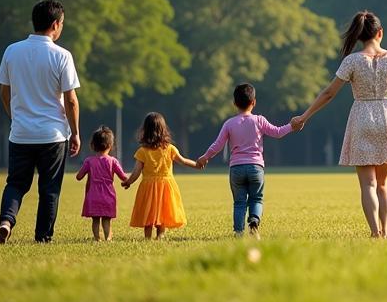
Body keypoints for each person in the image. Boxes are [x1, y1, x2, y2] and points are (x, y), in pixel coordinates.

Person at [291, 10, 387, 238]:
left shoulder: (352, 61)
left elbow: (328, 93)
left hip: (362, 118)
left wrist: (304, 116)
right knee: (383, 184)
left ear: (359, 36)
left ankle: (375, 232)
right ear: (380, 33)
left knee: (368, 185)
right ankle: (386, 232)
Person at [0, 0, 81, 244]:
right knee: (49, 189)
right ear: (55, 24)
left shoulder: (12, 51)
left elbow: (4, 92)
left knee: (16, 183)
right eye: (62, 23)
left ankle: (6, 221)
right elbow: (71, 100)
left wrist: (16, 117)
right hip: (53, 135)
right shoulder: (62, 56)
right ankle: (42, 237)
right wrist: (75, 133)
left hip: (20, 133)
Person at [195, 83, 293, 239]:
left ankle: (239, 233)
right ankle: (254, 222)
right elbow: (278, 132)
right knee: (256, 198)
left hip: (236, 169)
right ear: (253, 102)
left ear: (234, 103)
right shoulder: (259, 120)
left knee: (239, 202)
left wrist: (204, 157)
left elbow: (218, 145)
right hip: (256, 167)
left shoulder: (229, 124)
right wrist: (291, 126)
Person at [122, 111, 198, 239]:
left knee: (148, 211)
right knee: (163, 211)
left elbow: (136, 172)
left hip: (148, 186)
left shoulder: (142, 151)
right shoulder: (170, 148)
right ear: (163, 130)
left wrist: (128, 182)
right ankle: (160, 236)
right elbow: (183, 161)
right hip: (166, 185)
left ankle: (147, 237)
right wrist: (197, 164)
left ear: (145, 130)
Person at [75, 125, 128, 241]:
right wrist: (128, 182)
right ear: (110, 145)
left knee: (95, 220)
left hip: (93, 195)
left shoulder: (89, 161)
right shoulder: (113, 161)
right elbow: (123, 177)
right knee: (106, 219)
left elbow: (79, 177)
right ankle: (108, 238)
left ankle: (97, 238)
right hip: (108, 195)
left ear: (93, 145)